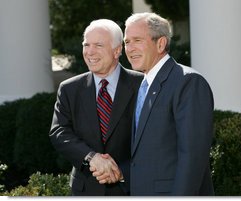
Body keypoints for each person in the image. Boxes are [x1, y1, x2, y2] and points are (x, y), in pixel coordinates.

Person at [49, 19, 143, 196]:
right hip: (85, 190)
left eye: (98, 45)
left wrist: (122, 171)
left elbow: (154, 139)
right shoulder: (69, 88)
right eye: (86, 45)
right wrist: (91, 158)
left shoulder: (142, 86)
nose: (90, 52)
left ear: (117, 51)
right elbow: (59, 132)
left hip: (131, 188)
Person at [124, 12, 214, 195]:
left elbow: (193, 157)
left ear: (161, 43)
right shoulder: (143, 85)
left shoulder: (188, 82)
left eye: (137, 40)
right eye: (127, 42)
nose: (130, 48)